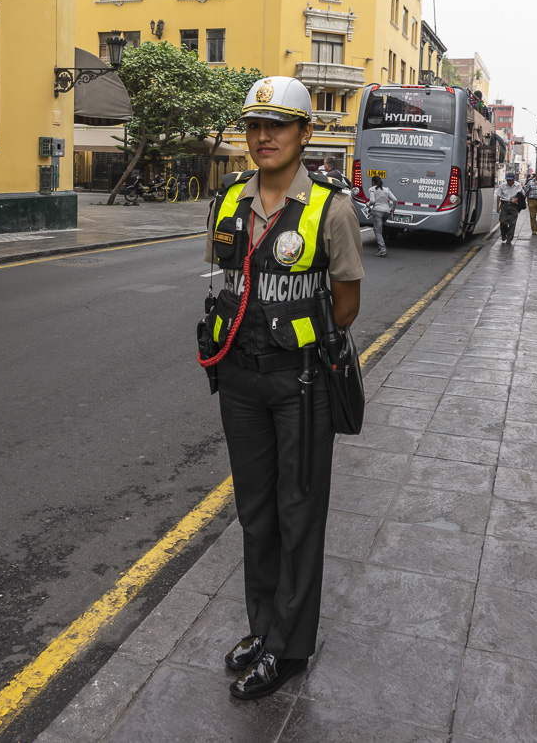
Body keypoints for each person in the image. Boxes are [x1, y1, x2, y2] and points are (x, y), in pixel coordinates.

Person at [199, 76, 363, 700]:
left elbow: (345, 305)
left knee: (298, 515)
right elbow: (224, 280)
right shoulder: (229, 200)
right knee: (255, 513)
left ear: (305, 133)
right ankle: (263, 627)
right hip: (239, 380)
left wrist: (290, 324)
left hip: (300, 383)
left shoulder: (330, 207)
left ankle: (289, 649)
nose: (263, 137)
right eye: (254, 126)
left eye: (279, 125)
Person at [368, 175, 397, 256]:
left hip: (378, 211)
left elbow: (372, 201)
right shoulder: (386, 190)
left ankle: (382, 249)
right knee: (379, 229)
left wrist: (368, 204)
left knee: (377, 231)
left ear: (373, 182)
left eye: (372, 181)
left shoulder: (372, 189)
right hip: (387, 212)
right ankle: (381, 246)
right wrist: (392, 210)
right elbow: (395, 200)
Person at [495, 171, 523, 245]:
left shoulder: (518, 185)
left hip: (514, 206)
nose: (509, 181)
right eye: (508, 180)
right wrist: (497, 206)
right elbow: (498, 196)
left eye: (510, 180)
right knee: (503, 221)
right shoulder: (503, 185)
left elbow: (522, 195)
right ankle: (504, 234)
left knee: (512, 223)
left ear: (514, 179)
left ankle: (509, 239)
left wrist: (517, 199)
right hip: (504, 205)